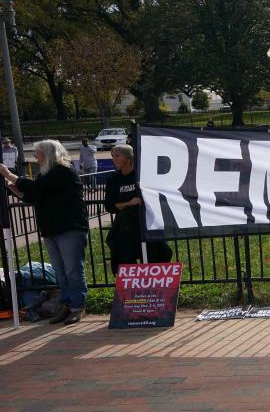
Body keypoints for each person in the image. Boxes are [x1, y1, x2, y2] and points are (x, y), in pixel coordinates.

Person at [0, 139, 87, 325]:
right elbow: (31, 195)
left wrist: (9, 173)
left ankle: (78, 306)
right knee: (60, 271)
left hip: (69, 227)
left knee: (73, 269)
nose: (35, 157)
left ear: (48, 153)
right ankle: (66, 304)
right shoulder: (46, 174)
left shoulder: (63, 171)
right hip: (51, 228)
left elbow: (36, 188)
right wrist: (11, 186)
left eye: (37, 153)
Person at [105, 144, 172, 274]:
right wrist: (129, 203)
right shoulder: (113, 179)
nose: (114, 159)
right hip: (125, 228)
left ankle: (154, 286)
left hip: (146, 225)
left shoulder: (142, 175)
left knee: (154, 256)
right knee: (124, 258)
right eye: (113, 156)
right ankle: (130, 289)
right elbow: (110, 206)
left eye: (117, 156)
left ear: (128, 158)